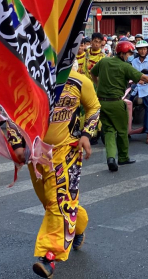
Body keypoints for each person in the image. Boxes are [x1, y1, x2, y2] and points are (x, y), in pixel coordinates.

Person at [21, 67, 100, 278]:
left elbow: (94, 107)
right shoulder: (30, 77)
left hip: (66, 151)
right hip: (35, 152)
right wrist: (16, 143)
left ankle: (48, 256)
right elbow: (14, 111)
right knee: (51, 201)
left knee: (58, 202)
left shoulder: (79, 81)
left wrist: (87, 134)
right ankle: (78, 225)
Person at [92, 41, 148, 171]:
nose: (130, 56)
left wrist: (98, 85)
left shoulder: (104, 61)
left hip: (102, 102)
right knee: (122, 130)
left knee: (109, 131)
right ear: (122, 53)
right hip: (116, 103)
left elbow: (93, 73)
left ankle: (111, 157)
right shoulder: (125, 66)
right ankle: (123, 157)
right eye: (129, 53)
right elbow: (145, 78)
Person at [131, 40, 148, 145]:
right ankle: (127, 130)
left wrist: (143, 80)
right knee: (125, 105)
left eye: (144, 49)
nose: (143, 51)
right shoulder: (134, 61)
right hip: (137, 88)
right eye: (140, 49)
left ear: (147, 50)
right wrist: (136, 80)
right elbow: (132, 74)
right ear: (137, 50)